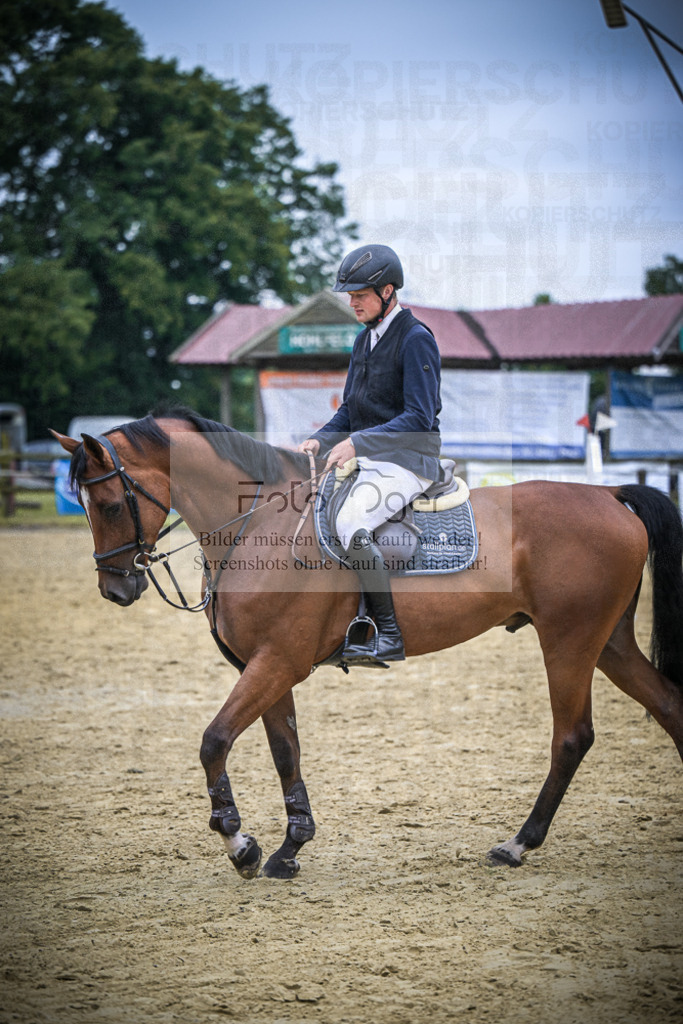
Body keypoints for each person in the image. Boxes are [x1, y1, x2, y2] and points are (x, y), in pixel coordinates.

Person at [298, 244, 442, 665]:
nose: (352, 302)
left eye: (360, 294)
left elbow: (419, 417)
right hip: (372, 461)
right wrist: (320, 439)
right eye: (350, 295)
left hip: (410, 462)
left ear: (388, 291)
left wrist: (358, 443)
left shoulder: (416, 339)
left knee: (350, 521)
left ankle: (389, 633)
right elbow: (350, 410)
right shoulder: (364, 340)